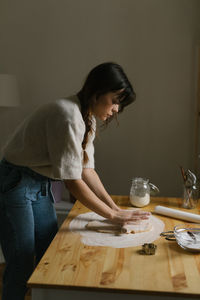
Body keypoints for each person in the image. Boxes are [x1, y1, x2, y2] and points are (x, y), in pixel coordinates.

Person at [0, 62, 150, 300]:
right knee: (21, 262)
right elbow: (72, 182)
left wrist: (115, 209)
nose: (116, 110)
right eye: (114, 100)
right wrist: (112, 217)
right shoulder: (68, 115)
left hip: (39, 183)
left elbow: (88, 171)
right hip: (16, 181)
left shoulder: (85, 117)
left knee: (48, 252)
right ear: (96, 92)